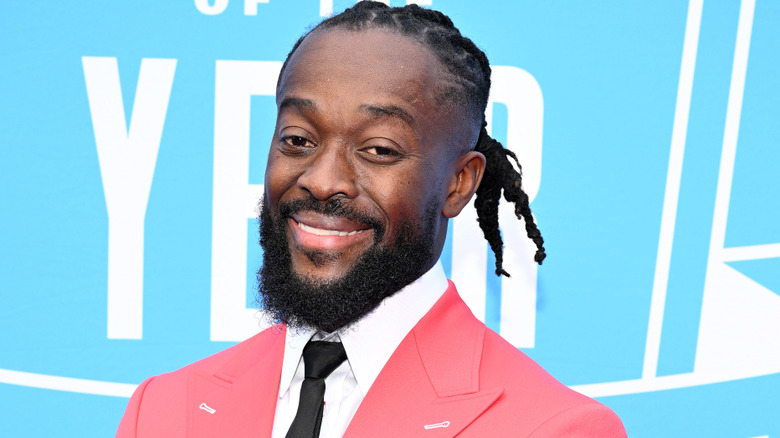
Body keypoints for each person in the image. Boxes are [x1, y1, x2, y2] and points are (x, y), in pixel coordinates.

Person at [117, 2, 626, 437]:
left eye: (379, 149)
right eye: (298, 139)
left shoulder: (554, 427)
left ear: (458, 183)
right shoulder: (162, 409)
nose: (322, 179)